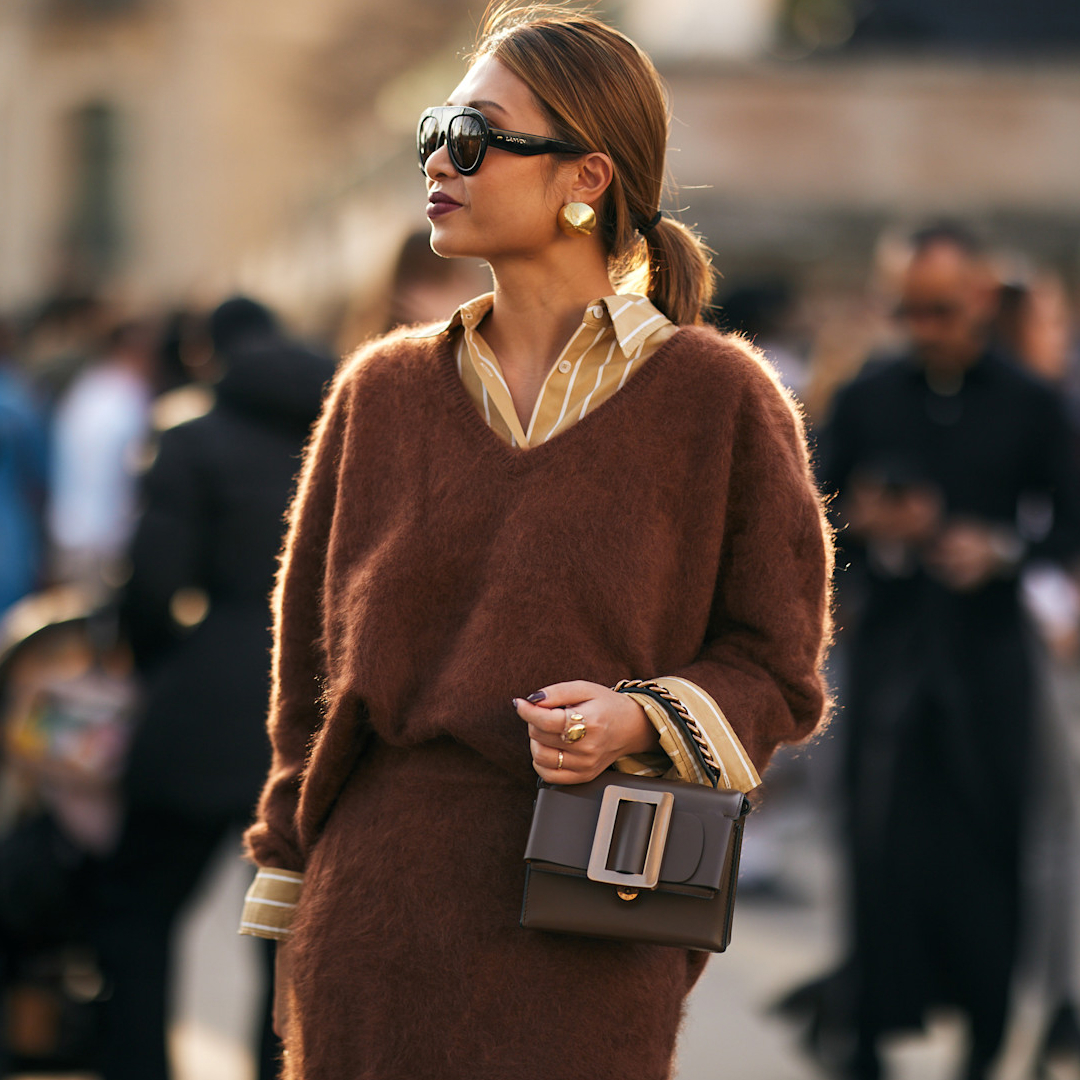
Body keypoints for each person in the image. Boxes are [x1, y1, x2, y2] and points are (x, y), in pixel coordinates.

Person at [238, 7, 833, 1079]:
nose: (437, 159)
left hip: (593, 921)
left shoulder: (719, 399)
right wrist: (289, 890)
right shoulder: (377, 392)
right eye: (435, 130)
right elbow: (306, 687)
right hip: (373, 917)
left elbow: (778, 670)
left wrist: (639, 718)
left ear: (585, 177)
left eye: (474, 136)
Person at [799, 225, 1080, 1080]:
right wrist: (873, 528)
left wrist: (995, 551)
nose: (926, 329)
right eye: (910, 310)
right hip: (889, 652)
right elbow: (814, 515)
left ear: (982, 303)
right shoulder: (871, 392)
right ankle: (869, 1029)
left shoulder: (1030, 401)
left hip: (989, 655)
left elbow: (1066, 524)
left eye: (943, 311)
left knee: (993, 834)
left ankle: (989, 1033)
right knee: (879, 835)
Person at [94, 299, 336, 1080]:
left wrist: (160, 659)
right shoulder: (341, 434)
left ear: (209, 352)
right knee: (288, 932)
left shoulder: (191, 437)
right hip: (317, 715)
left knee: (137, 911)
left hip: (200, 710)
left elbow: (152, 583)